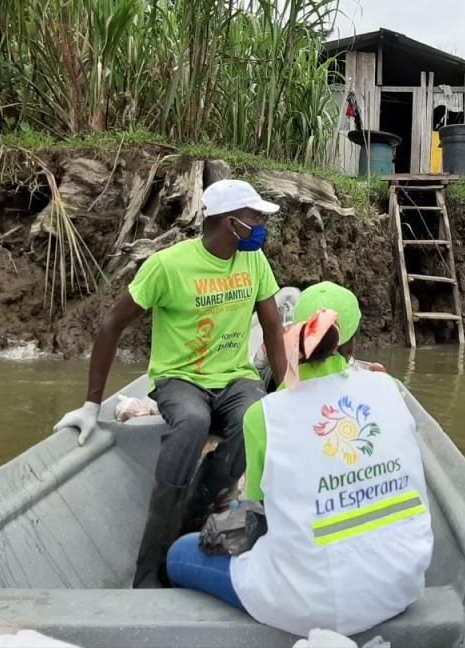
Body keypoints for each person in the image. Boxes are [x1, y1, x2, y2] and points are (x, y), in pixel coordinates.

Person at [53, 179, 289, 588]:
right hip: (179, 378)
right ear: (230, 223)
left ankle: (192, 520)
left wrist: (286, 392)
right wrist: (92, 405)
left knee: (259, 416)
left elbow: (271, 327)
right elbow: (111, 325)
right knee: (192, 422)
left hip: (234, 377)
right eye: (255, 218)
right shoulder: (167, 266)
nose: (262, 225)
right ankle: (150, 568)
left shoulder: (254, 262)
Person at [166, 282, 433, 637]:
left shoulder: (263, 414)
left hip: (308, 603)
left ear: (296, 334)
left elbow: (255, 508)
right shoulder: (390, 389)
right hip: (400, 584)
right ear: (352, 343)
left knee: (180, 554)